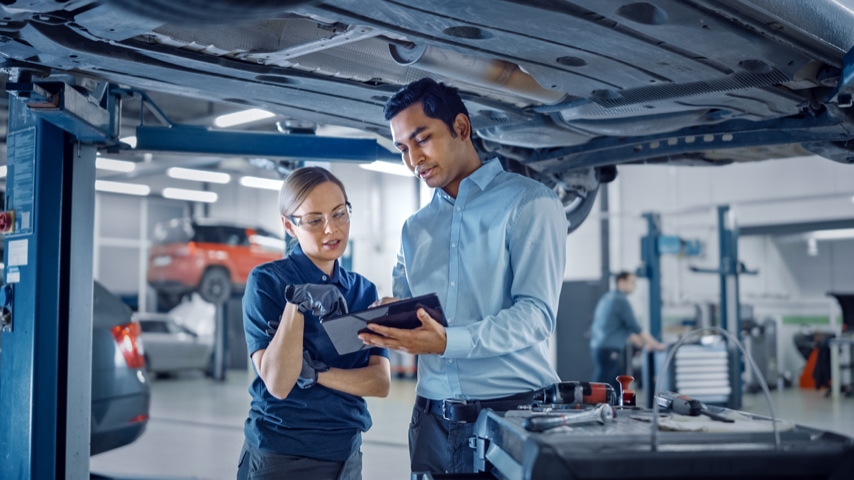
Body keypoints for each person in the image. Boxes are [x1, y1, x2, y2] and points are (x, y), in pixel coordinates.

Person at [358, 77, 566, 475]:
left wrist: (448, 341)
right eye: (403, 148)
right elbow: (414, 312)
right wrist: (395, 318)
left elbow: (537, 315)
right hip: (432, 420)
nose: (412, 159)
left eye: (422, 139)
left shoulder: (528, 203)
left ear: (461, 128)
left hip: (511, 414)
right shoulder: (414, 228)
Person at [237, 166, 390, 480]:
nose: (331, 230)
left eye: (339, 214)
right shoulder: (267, 282)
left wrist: (314, 373)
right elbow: (279, 384)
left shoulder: (363, 291)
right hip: (282, 454)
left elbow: (379, 382)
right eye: (315, 220)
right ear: (289, 226)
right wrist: (296, 304)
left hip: (346, 453)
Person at [589, 271, 665, 392]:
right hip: (609, 350)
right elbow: (635, 326)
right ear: (621, 282)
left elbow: (625, 329)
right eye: (632, 282)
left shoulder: (608, 297)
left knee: (615, 386)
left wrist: (645, 345)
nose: (634, 286)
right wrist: (656, 345)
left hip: (599, 348)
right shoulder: (620, 300)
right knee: (602, 387)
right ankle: (591, 408)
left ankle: (613, 409)